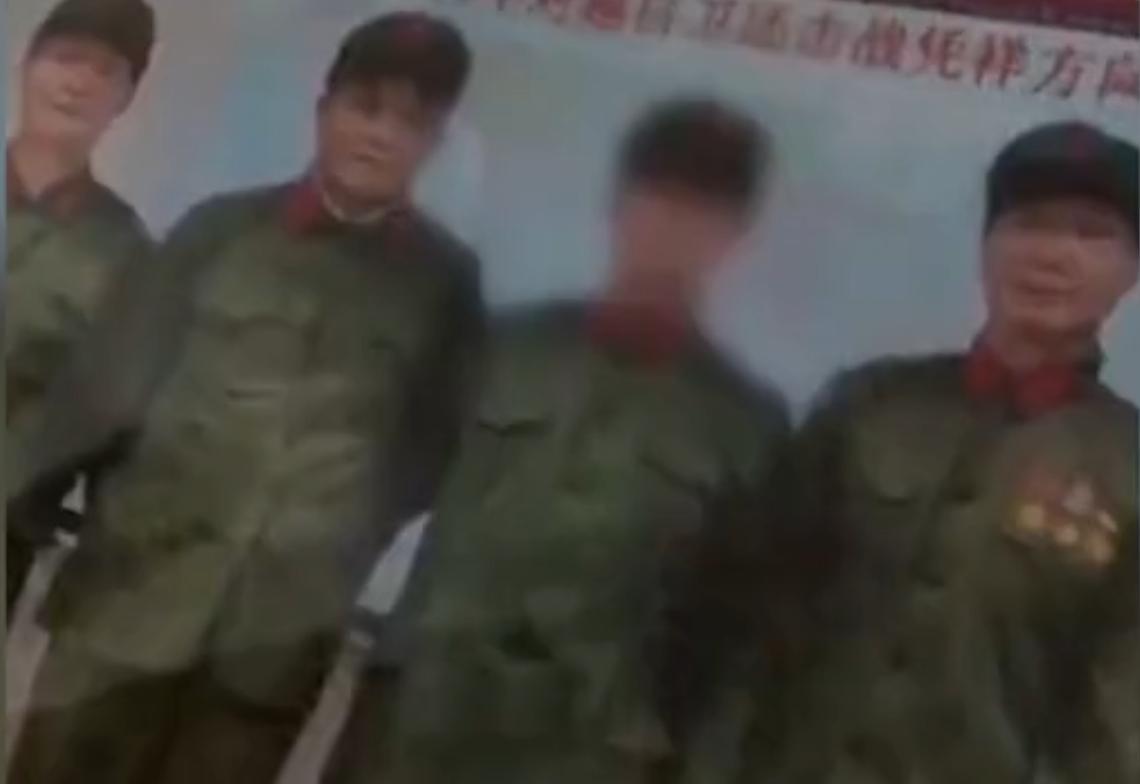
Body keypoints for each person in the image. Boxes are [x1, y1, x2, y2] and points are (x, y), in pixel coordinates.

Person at [7, 12, 482, 784]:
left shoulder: (446, 288)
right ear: (324, 108)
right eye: (365, 108)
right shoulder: (216, 233)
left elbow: (430, 448)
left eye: (411, 122)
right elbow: (103, 394)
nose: (381, 135)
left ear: (434, 141)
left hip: (267, 653)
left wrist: (336, 534)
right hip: (124, 611)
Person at [322, 97, 790, 784]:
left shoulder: (748, 427)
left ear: (735, 238)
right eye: (660, 199)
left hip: (581, 754)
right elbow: (375, 493)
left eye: (704, 212)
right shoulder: (502, 349)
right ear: (619, 204)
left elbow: (732, 643)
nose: (674, 230)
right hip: (416, 726)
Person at [743, 122, 1138, 784]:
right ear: (987, 246)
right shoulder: (869, 405)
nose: (1052, 255)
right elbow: (749, 623)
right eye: (1029, 224)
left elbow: (1115, 736)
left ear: (1131, 271)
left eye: (1090, 233)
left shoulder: (1128, 467)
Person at [6, 0, 155, 614]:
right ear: (27, 65)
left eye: (105, 71)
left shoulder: (128, 258)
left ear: (125, 99)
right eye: (66, 58)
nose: (78, 83)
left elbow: (114, 434)